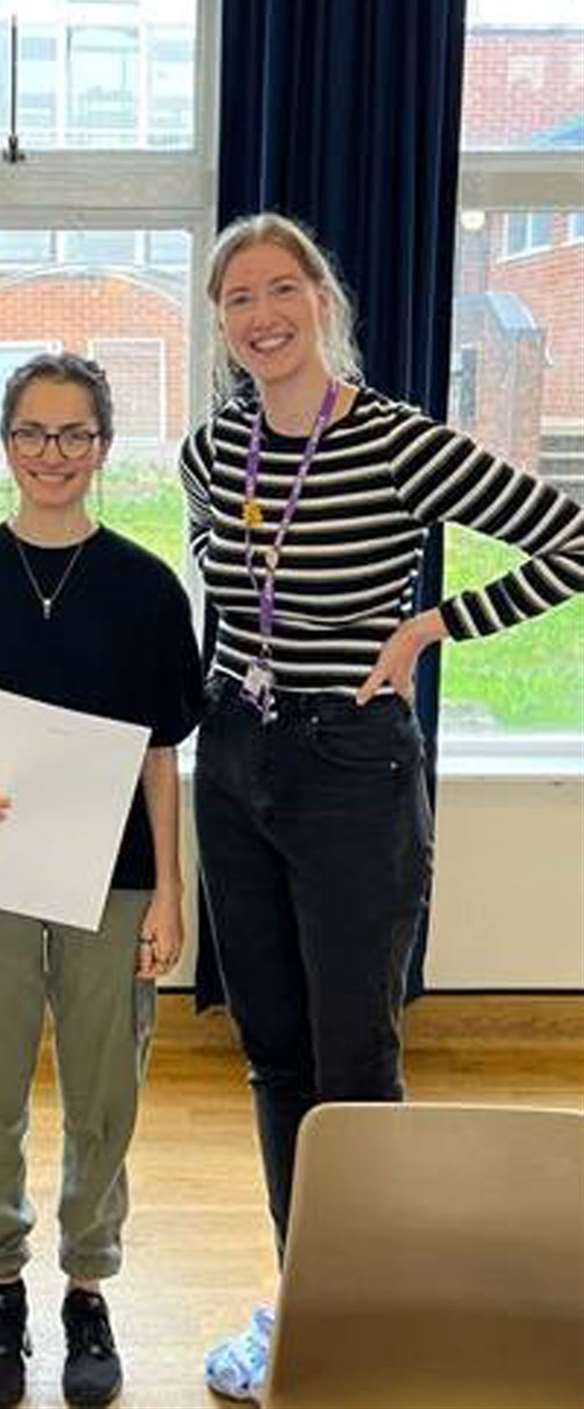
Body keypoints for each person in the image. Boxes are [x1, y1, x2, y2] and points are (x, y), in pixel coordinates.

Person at [180, 211, 584, 1403]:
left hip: (353, 766)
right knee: (273, 1050)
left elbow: (571, 538)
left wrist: (433, 624)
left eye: (281, 288)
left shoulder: (401, 442)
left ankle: (377, 1308)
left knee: (354, 1057)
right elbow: (227, 601)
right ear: (221, 324)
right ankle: (308, 1298)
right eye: (238, 298)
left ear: (322, 299)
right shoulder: (215, 452)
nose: (262, 314)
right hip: (237, 756)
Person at [0, 352, 203, 1409]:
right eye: (33, 432)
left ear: (104, 447)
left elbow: (163, 755)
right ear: (5, 441)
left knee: (104, 1091)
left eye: (75, 435)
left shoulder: (150, 589)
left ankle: (86, 1285)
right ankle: (0, 1286)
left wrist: (170, 891)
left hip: (114, 881)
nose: (53, 454)